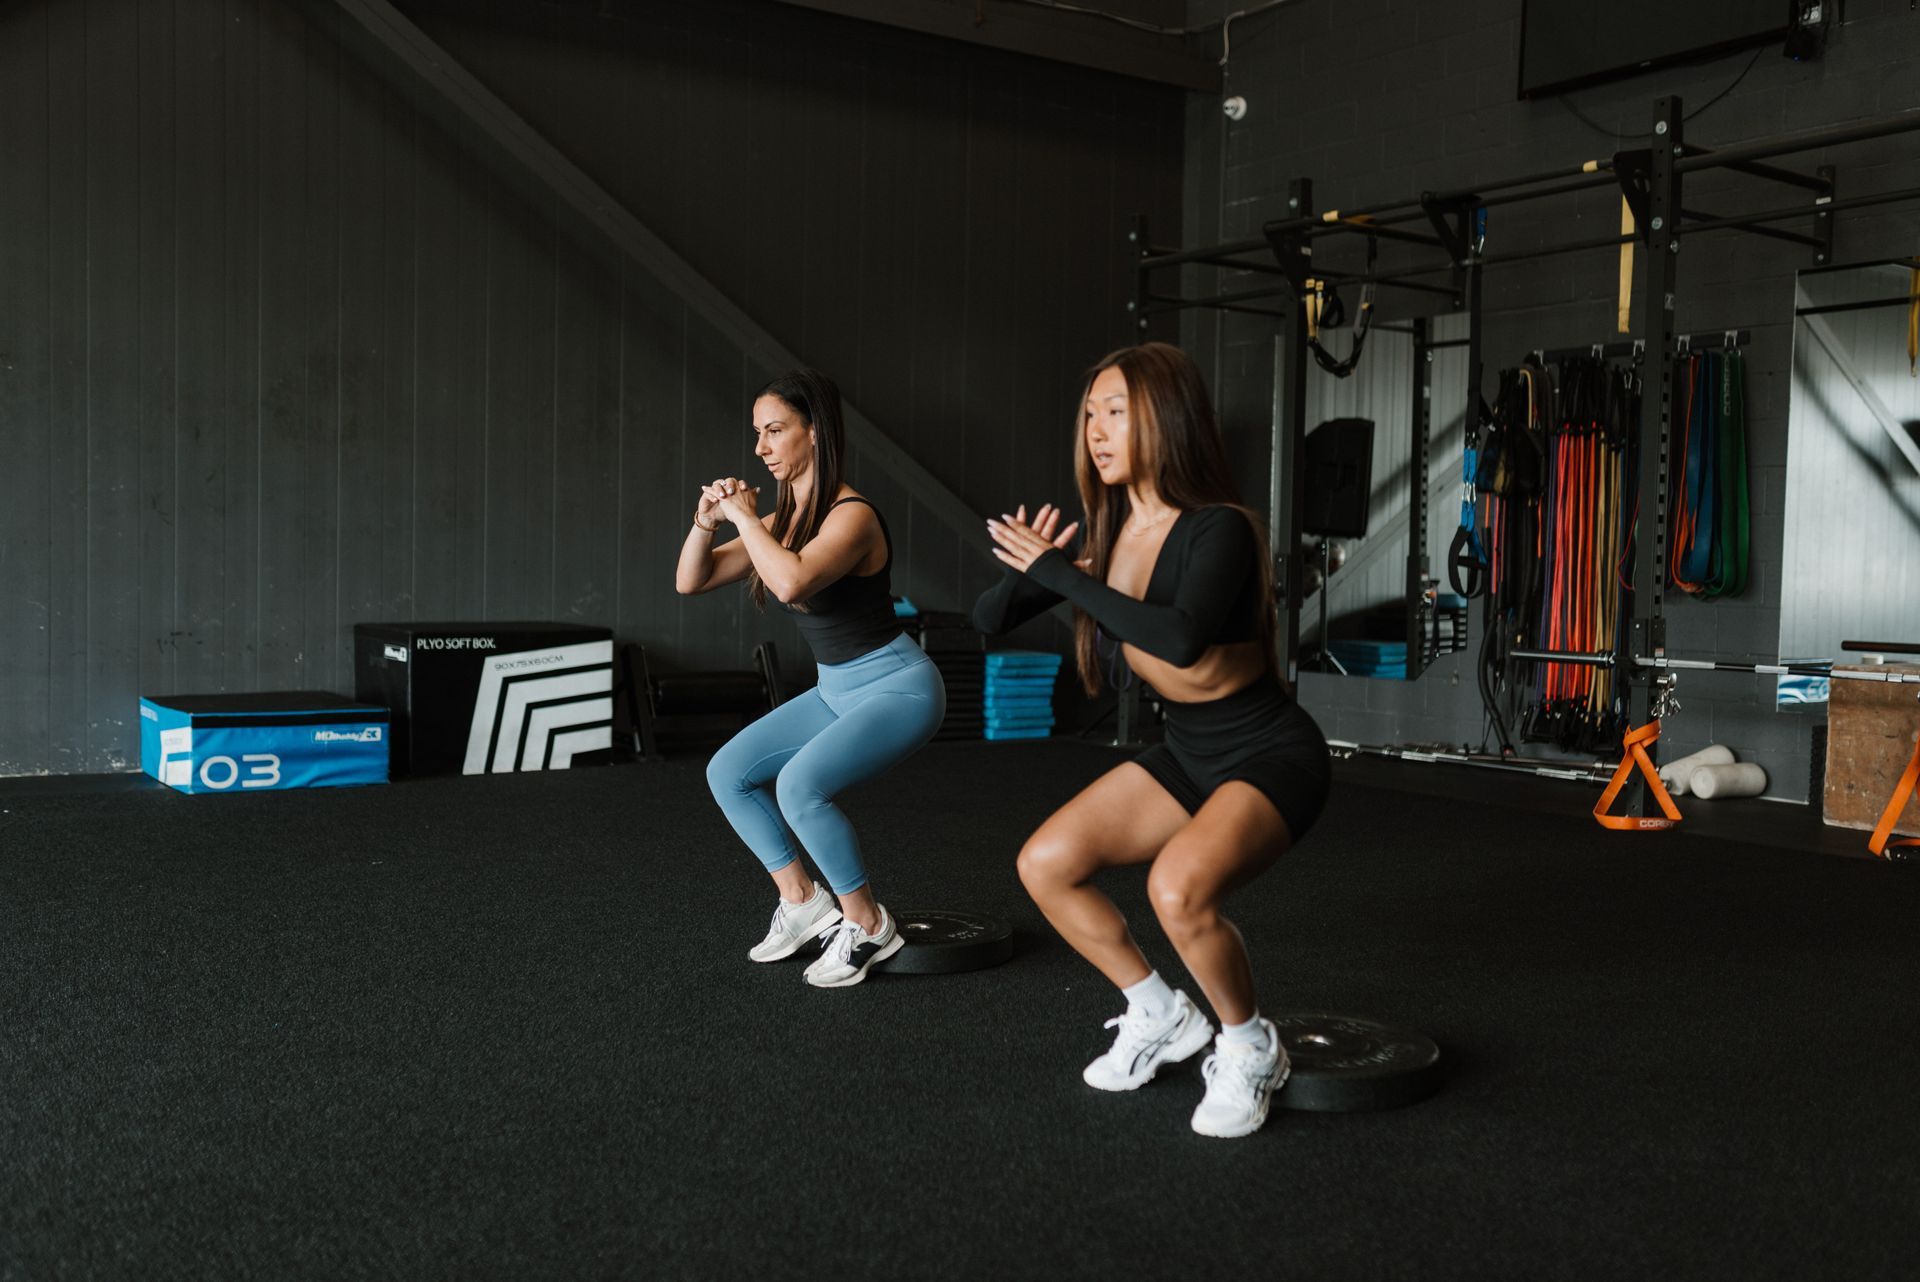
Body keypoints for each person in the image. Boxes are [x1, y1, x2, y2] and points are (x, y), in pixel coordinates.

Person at [972, 341, 1330, 1137]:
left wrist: (1066, 577)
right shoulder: (1103, 545)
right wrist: (1033, 569)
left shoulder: (1221, 531)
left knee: (1178, 889)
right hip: (1189, 755)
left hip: (1270, 754)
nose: (1096, 431)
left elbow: (1178, 639)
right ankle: (1160, 1013)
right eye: (1089, 414)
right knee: (1046, 862)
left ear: (1166, 420)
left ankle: (1248, 1045)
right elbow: (987, 621)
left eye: (1117, 412)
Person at [676, 369, 946, 988]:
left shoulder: (853, 517)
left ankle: (868, 922)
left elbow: (792, 580)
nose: (761, 448)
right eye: (757, 435)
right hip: (835, 690)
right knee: (728, 772)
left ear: (815, 433)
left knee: (799, 785)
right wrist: (706, 520)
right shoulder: (779, 523)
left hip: (899, 689)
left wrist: (746, 521)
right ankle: (802, 902)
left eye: (774, 431)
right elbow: (690, 581)